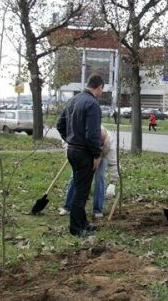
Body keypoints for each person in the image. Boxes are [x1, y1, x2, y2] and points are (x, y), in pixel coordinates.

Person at [56, 74, 105, 237]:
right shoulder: (92, 104)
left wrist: (70, 139)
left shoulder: (73, 100)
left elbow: (60, 124)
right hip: (85, 153)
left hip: (72, 150)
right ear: (99, 87)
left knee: (79, 187)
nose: (101, 93)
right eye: (102, 91)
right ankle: (76, 229)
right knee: (82, 192)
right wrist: (97, 155)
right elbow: (93, 134)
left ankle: (83, 222)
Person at [59, 126, 119, 218]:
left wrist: (113, 183)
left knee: (100, 177)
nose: (99, 145)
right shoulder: (83, 132)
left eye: (101, 144)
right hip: (84, 153)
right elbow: (67, 141)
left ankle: (97, 210)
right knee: (75, 177)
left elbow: (113, 163)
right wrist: (70, 153)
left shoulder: (110, 143)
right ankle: (68, 207)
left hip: (101, 158)